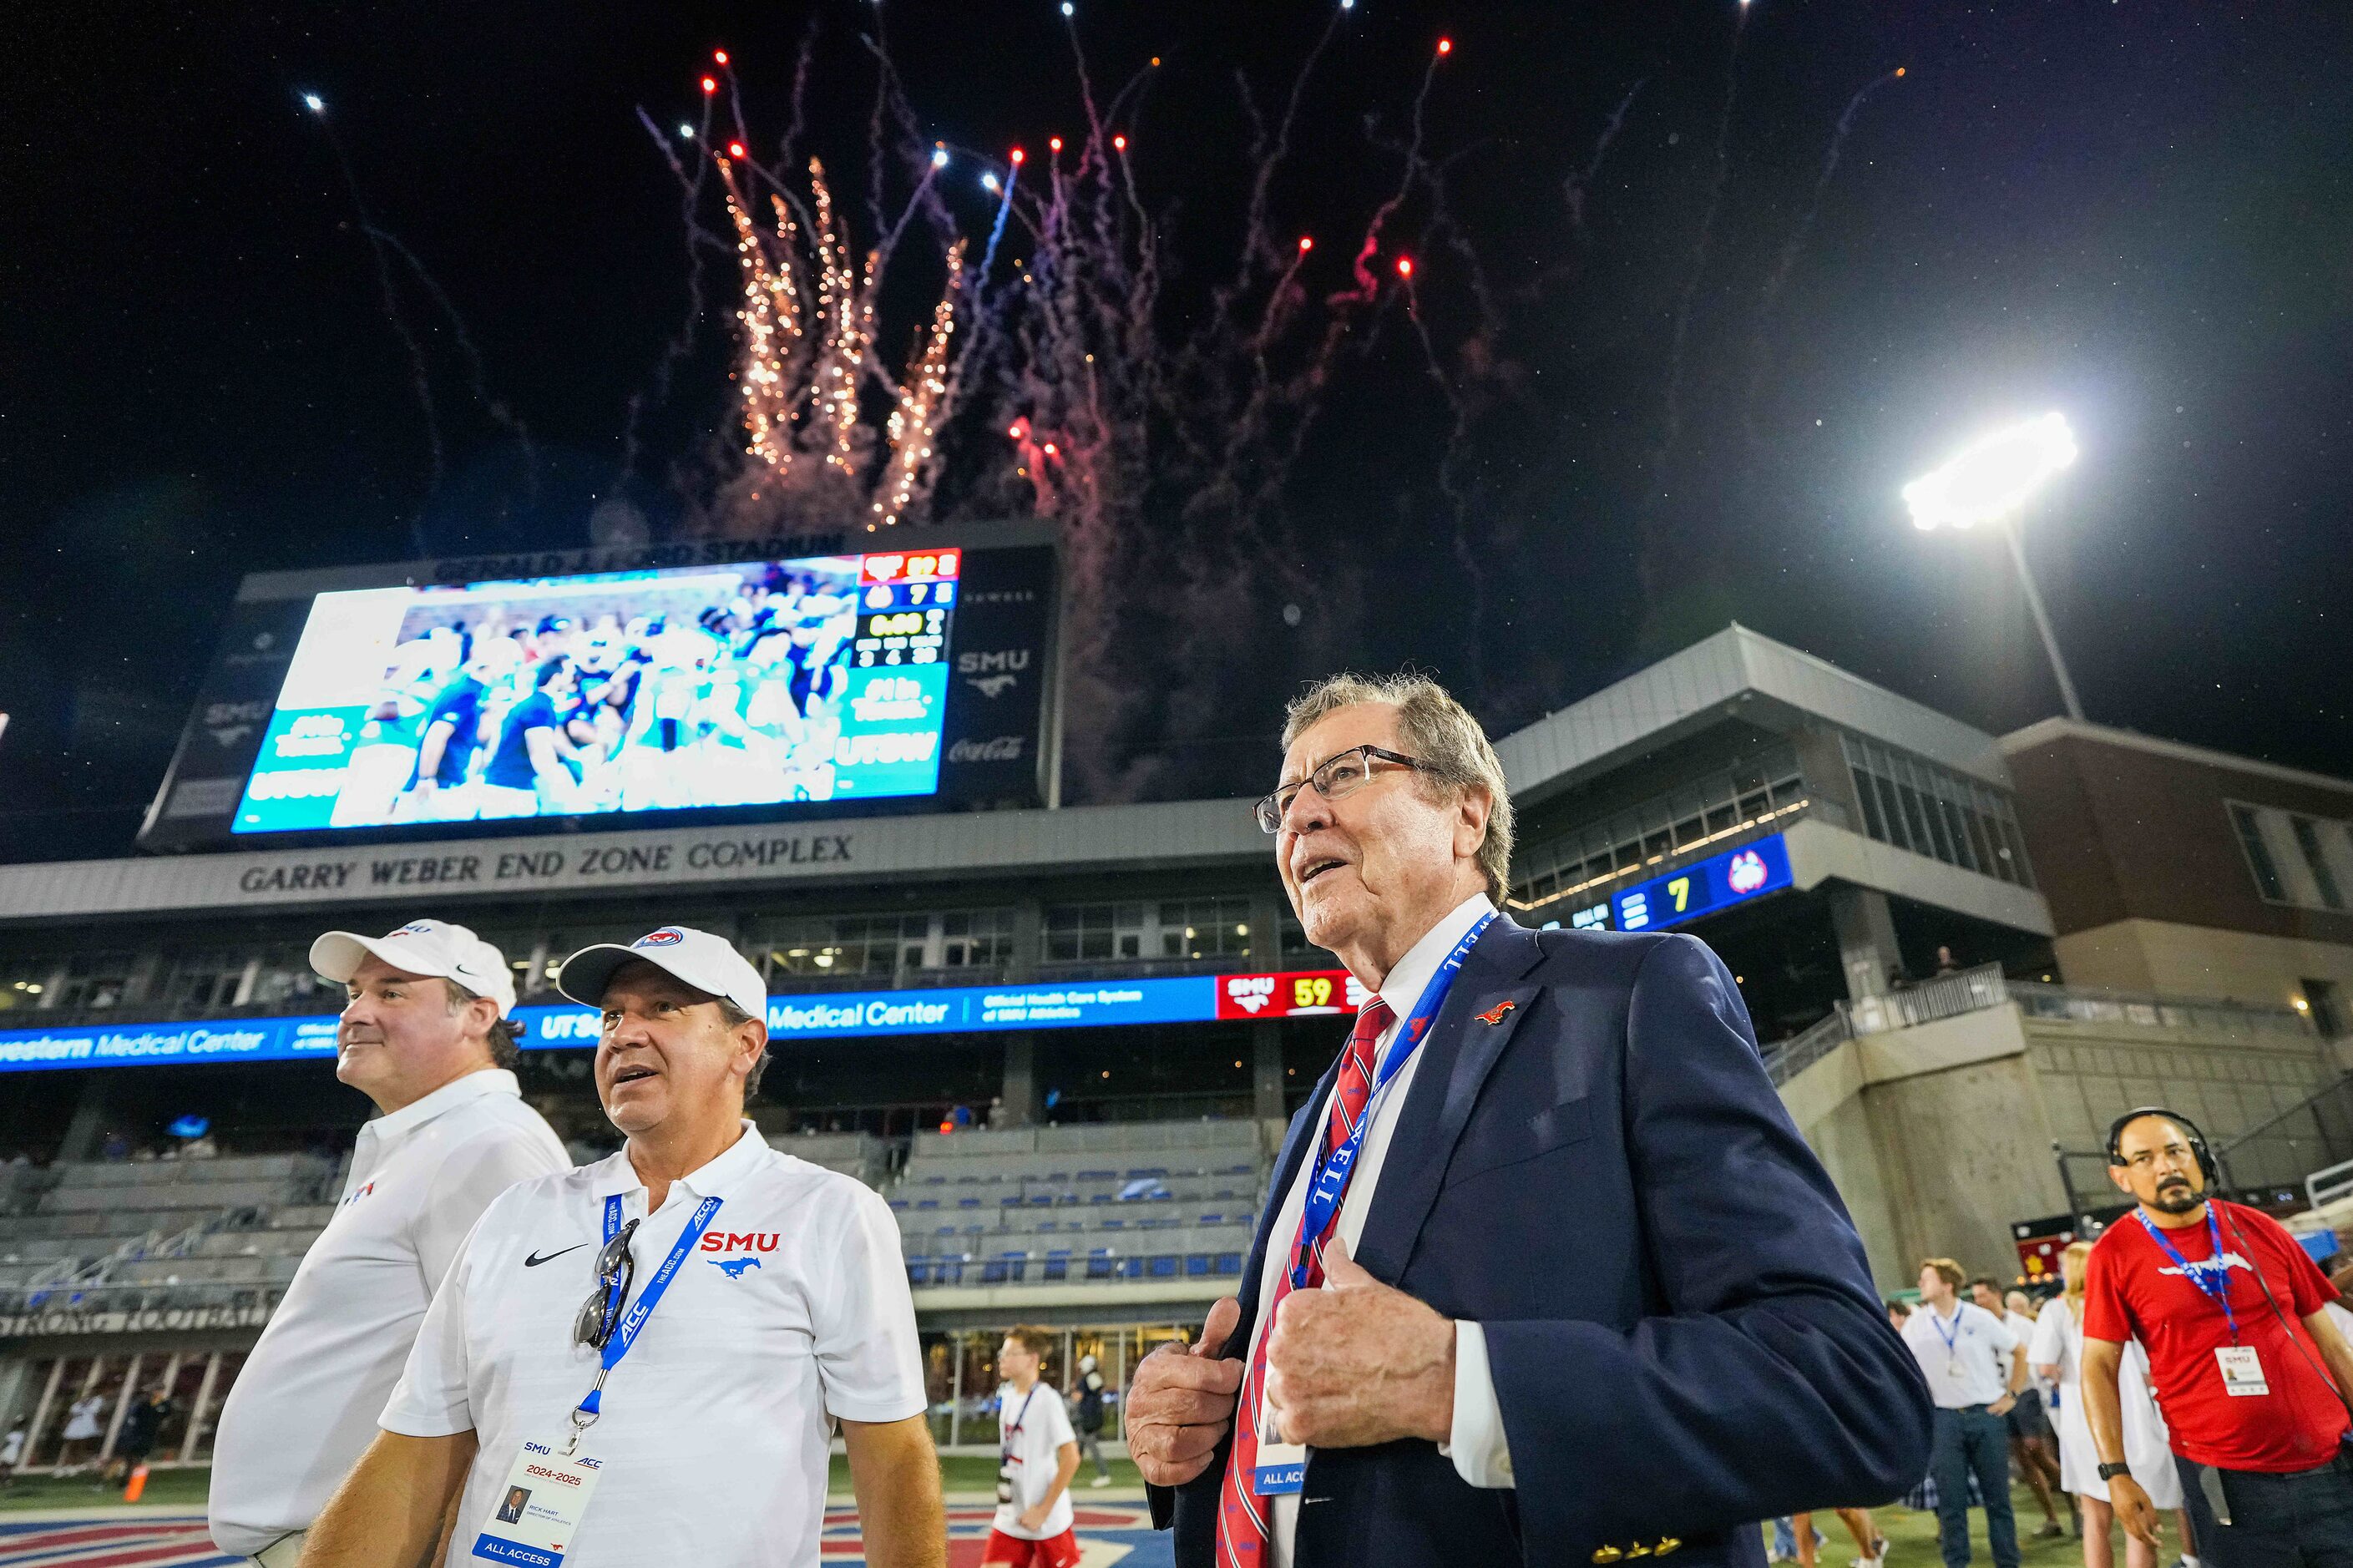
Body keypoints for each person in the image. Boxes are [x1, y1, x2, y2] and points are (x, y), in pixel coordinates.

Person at [1126, 673, 1930, 1568]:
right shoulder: (1327, 1104)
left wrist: (1453, 1383)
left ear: (1468, 816)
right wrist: (1200, 1423)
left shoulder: (1626, 996)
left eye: (1346, 771)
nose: (1303, 815)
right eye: (1283, 802)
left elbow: (1847, 1386)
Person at [298, 923, 944, 1568]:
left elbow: (892, 1455)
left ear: (744, 1045)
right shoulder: (518, 1214)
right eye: (612, 1015)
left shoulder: (829, 1215)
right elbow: (415, 1447)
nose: (625, 1034)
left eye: (663, 1008)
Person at [208, 918, 569, 1566]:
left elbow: (525, 1385)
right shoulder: (429, 1139)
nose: (357, 1013)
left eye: (393, 992)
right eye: (353, 993)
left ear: (476, 1016)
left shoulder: (488, 1142)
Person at [2083, 1108, 2353, 1568]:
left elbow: (2331, 1343)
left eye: (2175, 1151)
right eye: (2144, 1159)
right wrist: (2116, 1474)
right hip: (2226, 1480)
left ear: (2198, 1159)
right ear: (2122, 1177)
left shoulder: (2259, 1228)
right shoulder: (2114, 1253)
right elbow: (2098, 1367)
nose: (2166, 1166)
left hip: (2328, 1467)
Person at [2032, 1242, 2190, 1568]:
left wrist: (2067, 1376)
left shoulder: (2058, 1310)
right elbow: (2150, 1370)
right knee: (2140, 1517)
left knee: (2095, 1516)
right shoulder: (2125, 1304)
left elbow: (2045, 1365)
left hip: (2085, 1417)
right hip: (2134, 1417)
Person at [1904, 1258, 2029, 1568]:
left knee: (1998, 1499)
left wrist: (2011, 1394)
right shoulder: (1916, 1323)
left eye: (1926, 1279)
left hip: (1985, 1415)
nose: (1920, 1284)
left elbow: (2019, 1350)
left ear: (1947, 1285)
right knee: (1950, 1504)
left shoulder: (1978, 1317)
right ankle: (1957, 1563)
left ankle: (2008, 1563)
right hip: (1942, 1418)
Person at [1973, 1277, 2068, 1539]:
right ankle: (2052, 1517)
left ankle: (2076, 1504)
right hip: (2000, 1396)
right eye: (1976, 1297)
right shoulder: (1978, 1328)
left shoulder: (2021, 1326)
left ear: (1996, 1294)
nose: (1979, 1301)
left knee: (2035, 1449)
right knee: (2025, 1459)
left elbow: (2039, 1356)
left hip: (2026, 1392)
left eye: (1982, 1295)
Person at [985, 1326, 1083, 1568]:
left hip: (1046, 1520)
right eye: (1002, 1353)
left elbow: (1071, 1457)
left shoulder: (1047, 1400)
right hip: (1011, 1513)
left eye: (1009, 1353)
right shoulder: (1007, 1396)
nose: (1002, 1359)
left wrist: (1043, 1510)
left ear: (1032, 1359)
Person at [107, 1385, 175, 1485]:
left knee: (138, 1457)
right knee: (128, 1456)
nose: (158, 1393)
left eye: (160, 1391)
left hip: (150, 1434)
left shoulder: (165, 1404)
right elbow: (136, 1415)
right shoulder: (145, 1403)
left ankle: (131, 1479)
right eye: (156, 1391)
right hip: (137, 1433)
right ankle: (124, 1478)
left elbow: (166, 1415)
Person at [1072, 1353, 1113, 1488]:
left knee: (1090, 1446)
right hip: (1090, 1417)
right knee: (1080, 1446)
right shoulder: (1093, 1378)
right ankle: (1069, 1471)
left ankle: (1104, 1474)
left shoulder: (1089, 1378)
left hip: (1088, 1418)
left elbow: (1079, 1397)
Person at [58, 1388, 106, 1473]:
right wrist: (82, 1403)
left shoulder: (98, 1400)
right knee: (71, 1446)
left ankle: (77, 1465)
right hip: (77, 1425)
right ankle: (66, 1465)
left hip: (87, 1426)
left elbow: (96, 1412)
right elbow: (73, 1411)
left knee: (82, 1445)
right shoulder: (81, 1402)